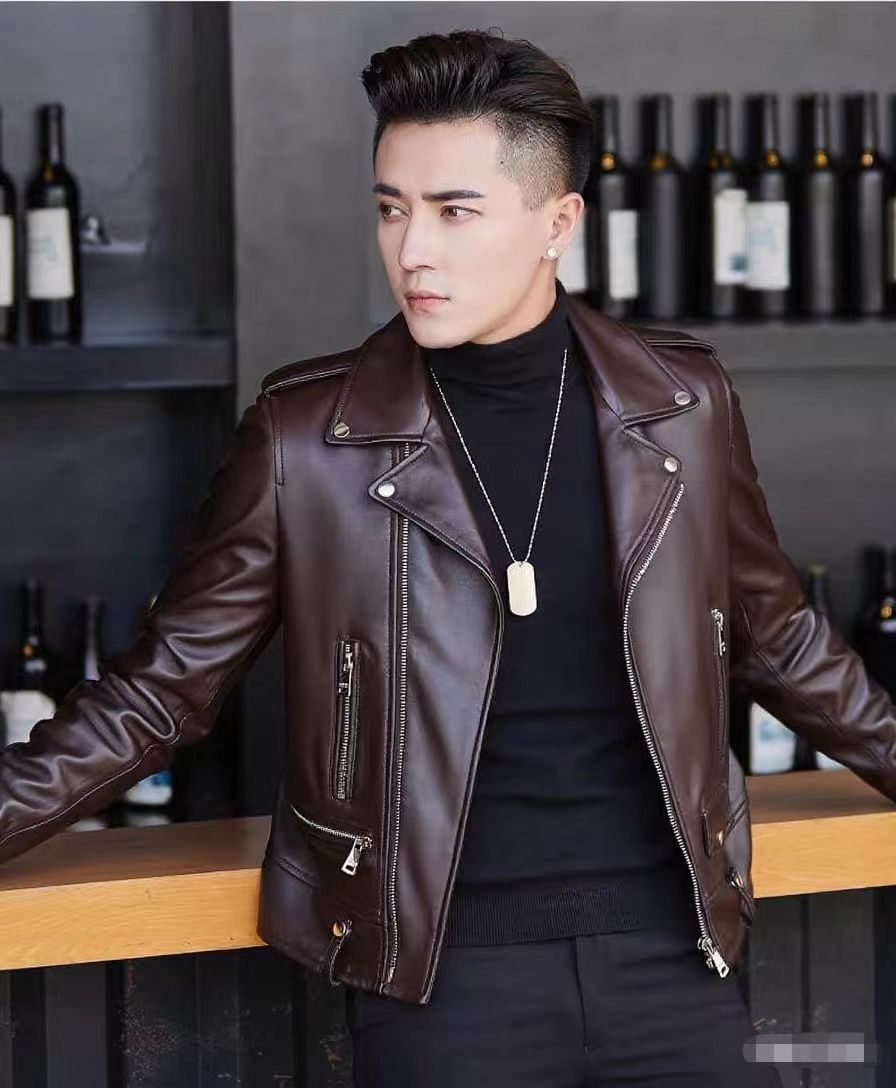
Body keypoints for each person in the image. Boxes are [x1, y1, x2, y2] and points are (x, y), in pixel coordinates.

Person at [2, 25, 894, 1088]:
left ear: (558, 221)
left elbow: (778, 635)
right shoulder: (307, 437)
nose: (411, 249)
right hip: (440, 974)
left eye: (453, 211)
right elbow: (163, 691)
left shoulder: (680, 404)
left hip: (675, 950)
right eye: (392, 208)